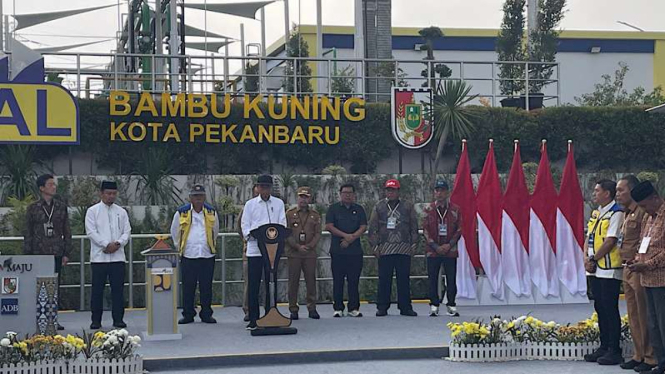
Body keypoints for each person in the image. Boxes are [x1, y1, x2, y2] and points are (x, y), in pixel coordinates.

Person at [616, 176, 657, 372]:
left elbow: (645, 241)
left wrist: (640, 262)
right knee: (632, 314)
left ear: (632, 191)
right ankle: (638, 353)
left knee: (644, 314)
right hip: (627, 267)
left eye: (621, 190)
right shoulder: (626, 213)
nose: (618, 194)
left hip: (640, 268)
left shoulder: (642, 212)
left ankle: (650, 356)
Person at [584, 179, 625, 365]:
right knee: (599, 307)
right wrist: (586, 257)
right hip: (594, 269)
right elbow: (589, 236)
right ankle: (603, 345)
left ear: (607, 193)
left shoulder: (616, 213)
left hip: (608, 269)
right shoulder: (597, 213)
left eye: (597, 190)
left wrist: (593, 259)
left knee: (609, 308)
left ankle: (614, 349)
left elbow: (610, 241)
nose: (594, 194)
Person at [24, 174, 72, 330]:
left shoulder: (60, 207)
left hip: (56, 252)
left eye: (54, 184)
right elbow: (28, 233)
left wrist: (66, 252)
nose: (54, 186)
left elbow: (67, 231)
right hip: (38, 253)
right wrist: (28, 255)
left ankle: (53, 319)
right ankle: (36, 318)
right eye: (50, 184)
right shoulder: (33, 208)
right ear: (42, 188)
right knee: (37, 287)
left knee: (55, 287)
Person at [241, 175, 287, 330]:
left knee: (271, 283)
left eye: (267, 186)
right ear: (257, 188)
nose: (265, 189)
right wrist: (252, 235)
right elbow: (245, 225)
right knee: (253, 285)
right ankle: (253, 318)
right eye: (262, 186)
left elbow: (282, 223)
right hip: (255, 250)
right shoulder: (250, 204)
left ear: (271, 188)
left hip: (272, 251)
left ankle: (271, 315)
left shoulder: (279, 203)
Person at [369, 179, 419, 317]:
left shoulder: (408, 206)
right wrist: (374, 246)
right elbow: (372, 228)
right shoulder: (379, 206)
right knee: (384, 279)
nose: (390, 193)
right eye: (388, 190)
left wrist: (414, 245)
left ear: (398, 191)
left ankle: (405, 307)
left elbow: (414, 227)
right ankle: (382, 307)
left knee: (404, 279)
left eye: (393, 190)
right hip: (385, 248)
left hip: (403, 247)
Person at [85, 180, 131, 329]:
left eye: (113, 194)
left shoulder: (121, 211)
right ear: (101, 193)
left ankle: (118, 319)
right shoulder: (93, 211)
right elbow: (91, 232)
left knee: (118, 290)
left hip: (118, 257)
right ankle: (96, 320)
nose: (111, 196)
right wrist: (106, 244)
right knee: (97, 291)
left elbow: (127, 231)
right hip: (99, 257)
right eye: (108, 193)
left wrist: (117, 244)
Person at [629, 181, 665, 374]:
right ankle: (661, 362)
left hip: (662, 280)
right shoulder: (648, 219)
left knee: (663, 322)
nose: (643, 209)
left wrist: (648, 264)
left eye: (644, 205)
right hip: (646, 279)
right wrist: (636, 260)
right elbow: (643, 244)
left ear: (655, 197)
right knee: (653, 324)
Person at [171, 184, 220, 324]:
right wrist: (180, 247)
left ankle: (206, 313)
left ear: (204, 197)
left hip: (206, 254)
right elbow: (175, 231)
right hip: (189, 254)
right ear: (190, 198)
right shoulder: (181, 212)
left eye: (200, 196)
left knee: (206, 286)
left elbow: (215, 230)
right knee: (188, 286)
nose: (198, 199)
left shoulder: (211, 212)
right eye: (195, 196)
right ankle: (188, 314)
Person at [325, 184, 367, 318]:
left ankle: (353, 308)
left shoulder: (359, 209)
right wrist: (345, 236)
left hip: (355, 251)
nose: (347, 195)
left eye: (350, 192)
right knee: (338, 280)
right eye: (345, 192)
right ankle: (338, 308)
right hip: (338, 251)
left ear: (354, 194)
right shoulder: (333, 209)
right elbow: (329, 226)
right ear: (340, 194)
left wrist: (351, 238)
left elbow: (363, 226)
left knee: (354, 281)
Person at [421, 180, 462, 317]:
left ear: (447, 192)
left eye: (442, 190)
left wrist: (449, 245)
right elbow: (425, 230)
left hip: (450, 250)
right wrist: (435, 246)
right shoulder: (428, 209)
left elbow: (459, 229)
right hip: (433, 250)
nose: (439, 193)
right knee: (432, 278)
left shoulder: (455, 209)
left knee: (451, 278)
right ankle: (434, 304)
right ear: (434, 193)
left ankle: (451, 304)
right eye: (437, 190)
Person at [286, 187, 322, 320]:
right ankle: (293, 309)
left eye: (306, 197)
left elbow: (318, 233)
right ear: (297, 198)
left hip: (309, 253)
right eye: (301, 197)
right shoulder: (290, 214)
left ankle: (312, 307)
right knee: (293, 281)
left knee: (311, 280)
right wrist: (296, 246)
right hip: (294, 252)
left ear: (310, 199)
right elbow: (286, 232)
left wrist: (310, 246)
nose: (303, 199)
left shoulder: (315, 215)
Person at [238, 184, 260, 322]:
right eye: (257, 192)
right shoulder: (248, 207)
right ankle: (248, 310)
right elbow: (241, 226)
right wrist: (247, 241)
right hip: (250, 250)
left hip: (269, 251)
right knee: (250, 282)